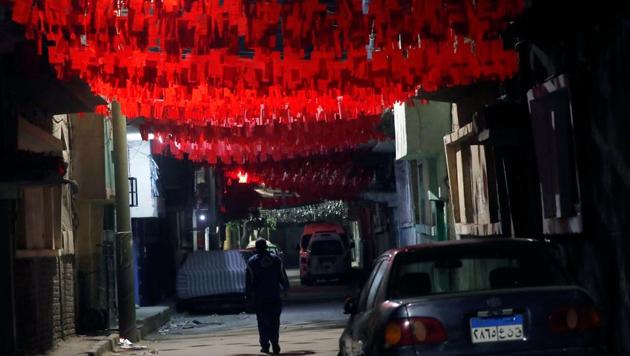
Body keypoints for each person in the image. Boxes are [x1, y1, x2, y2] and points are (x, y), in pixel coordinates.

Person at [246, 238, 290, 354]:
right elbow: (283, 276)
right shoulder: (276, 259)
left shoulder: (252, 262)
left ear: (256, 248)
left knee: (263, 322)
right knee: (275, 321)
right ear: (266, 247)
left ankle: (265, 345)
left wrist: (248, 297)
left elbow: (249, 282)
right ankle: (275, 342)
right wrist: (285, 288)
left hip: (260, 298)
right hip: (274, 296)